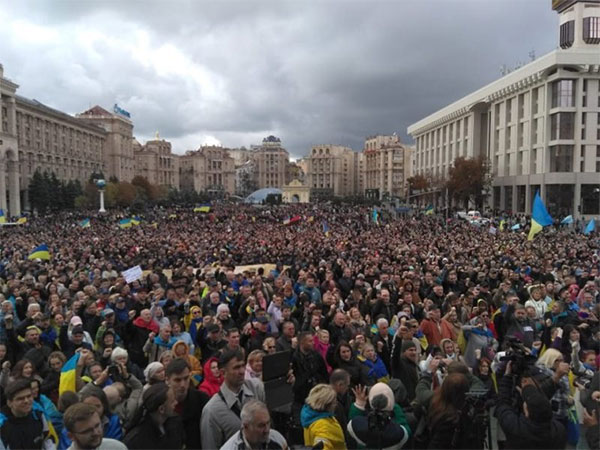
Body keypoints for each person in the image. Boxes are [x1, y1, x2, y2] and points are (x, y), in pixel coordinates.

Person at [201, 349, 266, 450]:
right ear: (223, 372)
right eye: (236, 368)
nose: (242, 371)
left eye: (243, 366)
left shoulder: (257, 388)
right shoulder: (212, 411)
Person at [495, 362, 567, 449]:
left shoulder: (516, 428)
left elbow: (503, 403)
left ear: (527, 412)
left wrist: (507, 376)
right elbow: (541, 403)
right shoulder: (558, 430)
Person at [347, 382, 411, 449]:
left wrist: (359, 404)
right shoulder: (395, 433)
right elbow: (406, 432)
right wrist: (392, 405)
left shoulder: (359, 427)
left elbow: (354, 421)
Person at [122, 382, 183, 449]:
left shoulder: (175, 423)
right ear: (161, 409)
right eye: (172, 401)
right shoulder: (136, 440)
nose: (176, 403)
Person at [0, 378, 56, 450]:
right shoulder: (2, 424)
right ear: (9, 403)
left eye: (29, 396)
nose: (26, 401)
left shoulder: (39, 415)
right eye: (20, 398)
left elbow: (48, 439)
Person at [221, 400, 288, 450]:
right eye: (261, 426)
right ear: (245, 426)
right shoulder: (231, 448)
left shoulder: (277, 438)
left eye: (268, 423)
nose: (267, 430)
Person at [300, 383, 345, 450]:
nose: (336, 403)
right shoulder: (323, 427)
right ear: (327, 405)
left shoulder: (309, 415)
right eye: (334, 401)